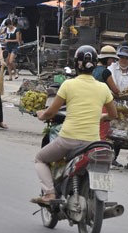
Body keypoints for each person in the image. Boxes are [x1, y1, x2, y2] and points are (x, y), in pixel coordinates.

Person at [32, 46, 117, 205]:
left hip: (68, 140)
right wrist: (102, 116)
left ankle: (49, 193)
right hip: (92, 142)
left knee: (40, 159)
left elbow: (51, 112)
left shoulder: (68, 85)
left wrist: (41, 114)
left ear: (76, 64)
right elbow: (113, 115)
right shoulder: (103, 88)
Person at [108, 45, 128, 167]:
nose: (124, 60)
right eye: (122, 58)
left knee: (120, 133)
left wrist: (124, 96)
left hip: (126, 105)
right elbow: (111, 85)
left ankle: (114, 157)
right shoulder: (111, 69)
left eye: (127, 59)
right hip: (111, 101)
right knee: (109, 132)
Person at [93, 45, 120, 142]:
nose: (112, 62)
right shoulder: (106, 72)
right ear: (107, 59)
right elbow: (115, 90)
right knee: (102, 132)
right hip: (102, 105)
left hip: (90, 102)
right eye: (111, 59)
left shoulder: (92, 69)